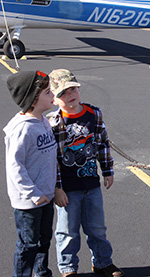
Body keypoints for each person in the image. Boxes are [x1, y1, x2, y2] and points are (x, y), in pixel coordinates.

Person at [48, 69, 124, 277]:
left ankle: (102, 262)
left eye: (73, 89)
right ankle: (68, 268)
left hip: (91, 185)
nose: (70, 95)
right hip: (67, 189)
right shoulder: (52, 123)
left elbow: (102, 144)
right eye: (63, 93)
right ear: (54, 99)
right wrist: (57, 188)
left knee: (97, 228)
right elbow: (51, 158)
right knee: (67, 231)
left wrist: (107, 170)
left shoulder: (94, 114)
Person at [4, 70, 58, 277]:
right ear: (33, 100)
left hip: (46, 196)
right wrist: (34, 194)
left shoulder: (42, 121)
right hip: (30, 201)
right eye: (47, 92)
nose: (52, 93)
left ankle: (42, 272)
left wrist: (51, 189)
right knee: (28, 245)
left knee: (44, 239)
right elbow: (15, 167)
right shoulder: (21, 130)